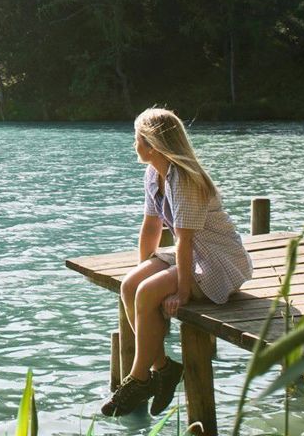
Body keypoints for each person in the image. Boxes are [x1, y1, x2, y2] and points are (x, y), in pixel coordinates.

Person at [100, 107, 255, 417]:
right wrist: (144, 267)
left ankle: (140, 378)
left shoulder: (184, 178)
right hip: (192, 252)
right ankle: (164, 367)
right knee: (131, 286)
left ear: (153, 144)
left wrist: (182, 292)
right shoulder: (153, 174)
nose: (134, 144)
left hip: (217, 257)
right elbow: (151, 227)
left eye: (138, 138)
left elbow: (184, 240)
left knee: (147, 292)